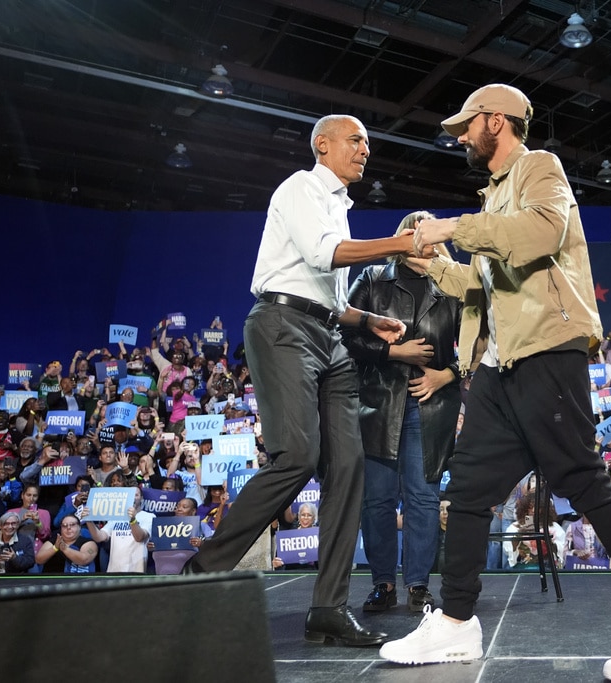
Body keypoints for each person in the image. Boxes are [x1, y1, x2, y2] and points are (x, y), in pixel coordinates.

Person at [382, 84, 611, 682]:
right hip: (500, 368)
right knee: (470, 489)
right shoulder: (494, 196)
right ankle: (454, 623)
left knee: (581, 479)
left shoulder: (538, 168)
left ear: (494, 121)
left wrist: (452, 227)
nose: (460, 138)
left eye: (465, 128)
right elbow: (483, 288)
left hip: (548, 353)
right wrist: (436, 267)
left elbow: (539, 236)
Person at [180, 113, 431, 649]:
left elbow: (331, 298)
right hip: (281, 327)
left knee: (349, 466)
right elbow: (322, 255)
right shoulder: (300, 187)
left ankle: (328, 608)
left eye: (368, 143)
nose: (366, 150)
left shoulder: (339, 206)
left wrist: (366, 320)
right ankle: (202, 574)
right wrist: (400, 242)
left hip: (328, 336)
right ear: (323, 144)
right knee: (295, 456)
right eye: (357, 140)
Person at [343, 210, 462, 614]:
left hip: (431, 405)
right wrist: (393, 351)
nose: (423, 239)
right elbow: (344, 337)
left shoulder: (455, 284)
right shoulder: (373, 279)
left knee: (423, 499)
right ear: (403, 237)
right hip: (378, 404)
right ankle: (382, 584)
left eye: (429, 232)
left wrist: (445, 376)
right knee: (377, 500)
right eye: (414, 231)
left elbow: (483, 343)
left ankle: (417, 586)